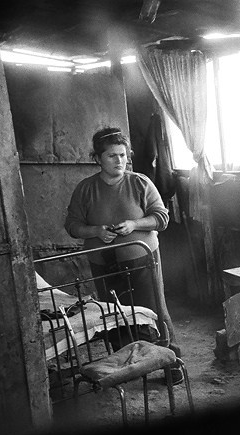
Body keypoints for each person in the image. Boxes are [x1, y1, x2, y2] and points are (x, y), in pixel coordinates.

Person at [64, 127, 182, 383]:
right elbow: (72, 225)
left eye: (123, 155)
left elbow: (162, 218)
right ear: (97, 158)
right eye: (112, 156)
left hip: (142, 260)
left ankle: (171, 364)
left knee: (154, 311)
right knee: (117, 317)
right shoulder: (85, 189)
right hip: (103, 263)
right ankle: (127, 366)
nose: (119, 161)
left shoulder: (139, 182)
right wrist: (94, 230)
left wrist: (134, 225)